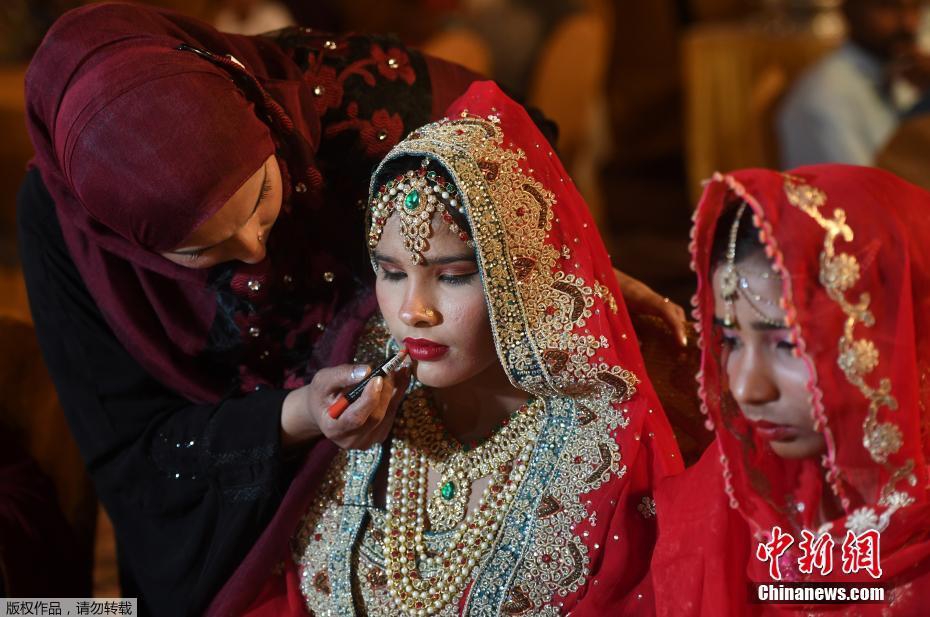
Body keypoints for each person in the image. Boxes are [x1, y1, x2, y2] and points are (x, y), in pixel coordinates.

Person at [19, 4, 685, 613]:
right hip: (232, 510)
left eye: (261, 199)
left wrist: (553, 263)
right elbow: (133, 448)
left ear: (264, 124)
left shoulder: (344, 95)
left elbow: (511, 162)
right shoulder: (70, 230)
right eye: (202, 250)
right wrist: (295, 415)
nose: (253, 249)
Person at [205, 81, 684, 616]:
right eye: (391, 272)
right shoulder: (362, 382)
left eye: (452, 275)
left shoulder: (603, 439)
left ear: (523, 274)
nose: (414, 311)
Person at [652, 165, 930, 615]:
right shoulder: (725, 505)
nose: (747, 388)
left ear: (892, 335)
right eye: (731, 340)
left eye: (789, 345)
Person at [777, 0, 930, 167]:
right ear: (849, 10)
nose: (908, 23)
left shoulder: (906, 78)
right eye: (888, 6)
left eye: (916, 7)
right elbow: (863, 182)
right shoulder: (826, 97)